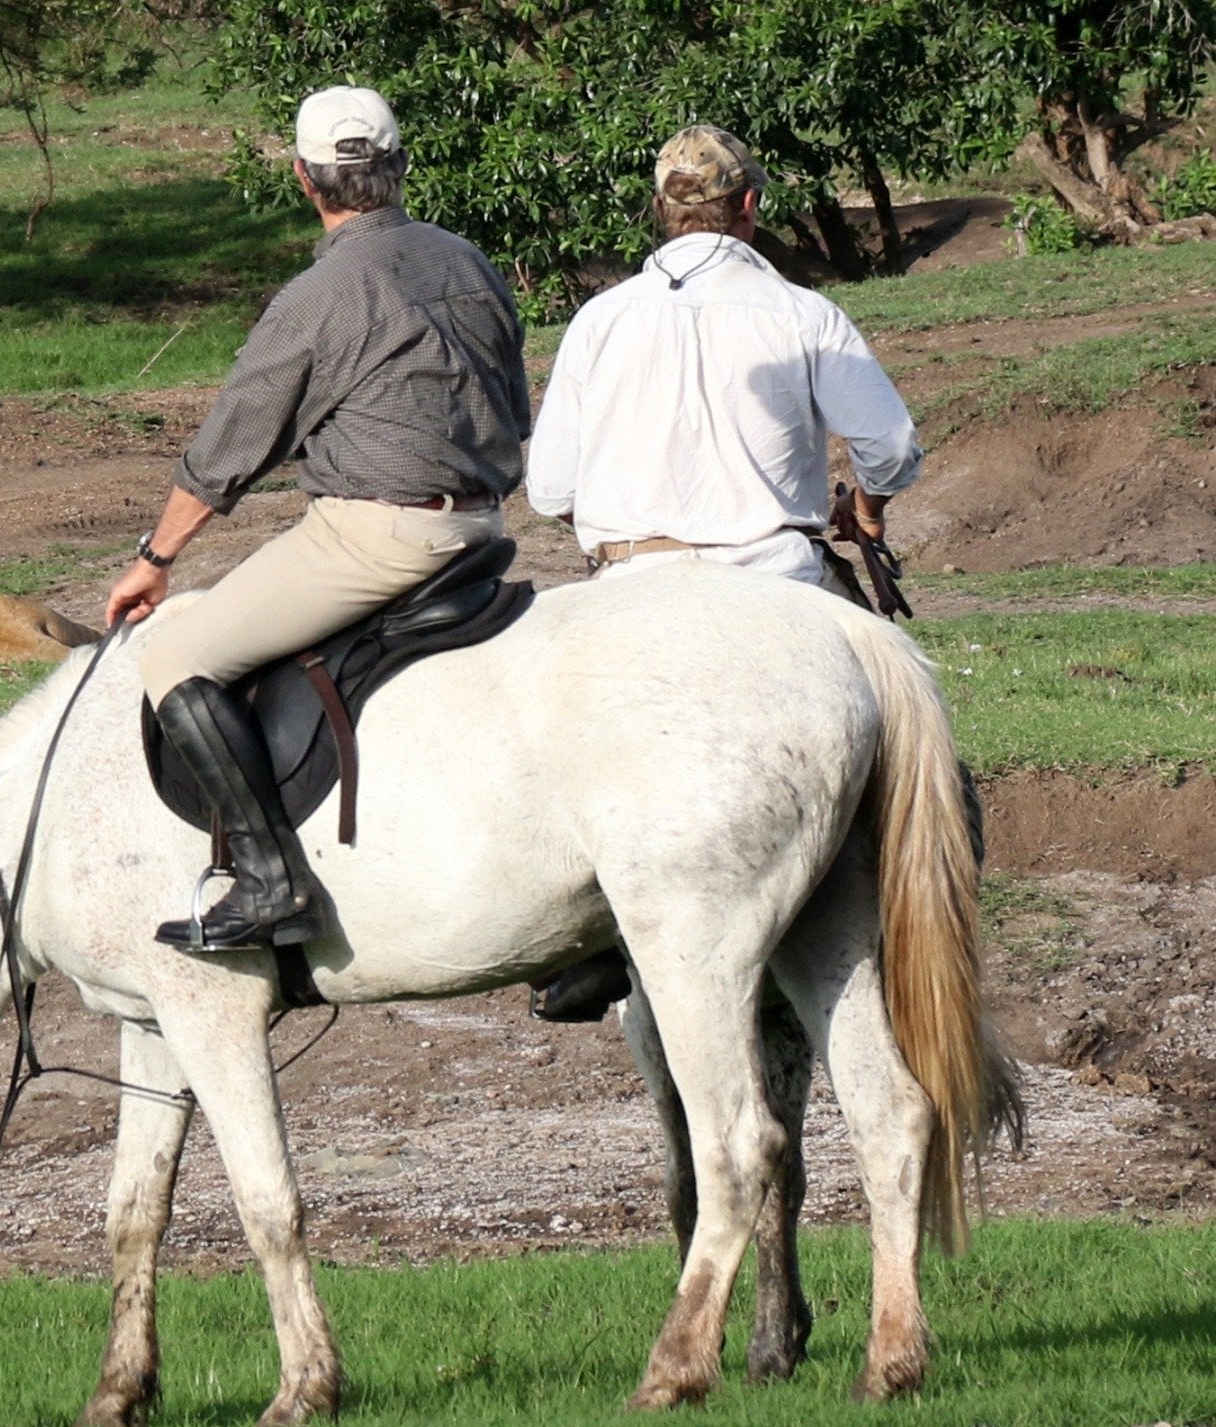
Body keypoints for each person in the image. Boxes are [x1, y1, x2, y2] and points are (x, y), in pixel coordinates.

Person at [106, 84, 531, 954]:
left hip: (376, 538)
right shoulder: (468, 260)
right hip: (483, 529)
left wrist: (156, 556)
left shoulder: (319, 292)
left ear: (305, 180)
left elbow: (233, 442)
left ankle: (270, 880)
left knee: (176, 656)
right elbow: (515, 403)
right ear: (399, 166)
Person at [522, 123, 926, 1020]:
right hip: (774, 581)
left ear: (664, 213)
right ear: (750, 207)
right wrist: (865, 509)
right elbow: (889, 449)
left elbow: (547, 484)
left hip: (631, 591)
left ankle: (583, 947)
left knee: (535, 763)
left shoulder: (600, 319)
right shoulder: (803, 315)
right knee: (917, 740)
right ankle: (933, 876)